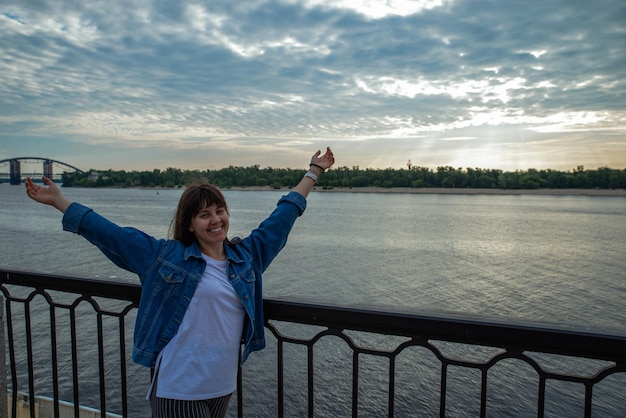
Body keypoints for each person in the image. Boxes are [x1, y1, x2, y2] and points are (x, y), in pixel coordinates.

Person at [25, 147, 335, 418]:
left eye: (219, 211)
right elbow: (109, 233)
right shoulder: (164, 257)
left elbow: (282, 217)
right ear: (189, 223)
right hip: (178, 388)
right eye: (204, 215)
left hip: (222, 385)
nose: (215, 220)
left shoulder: (246, 258)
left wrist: (313, 171)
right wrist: (60, 201)